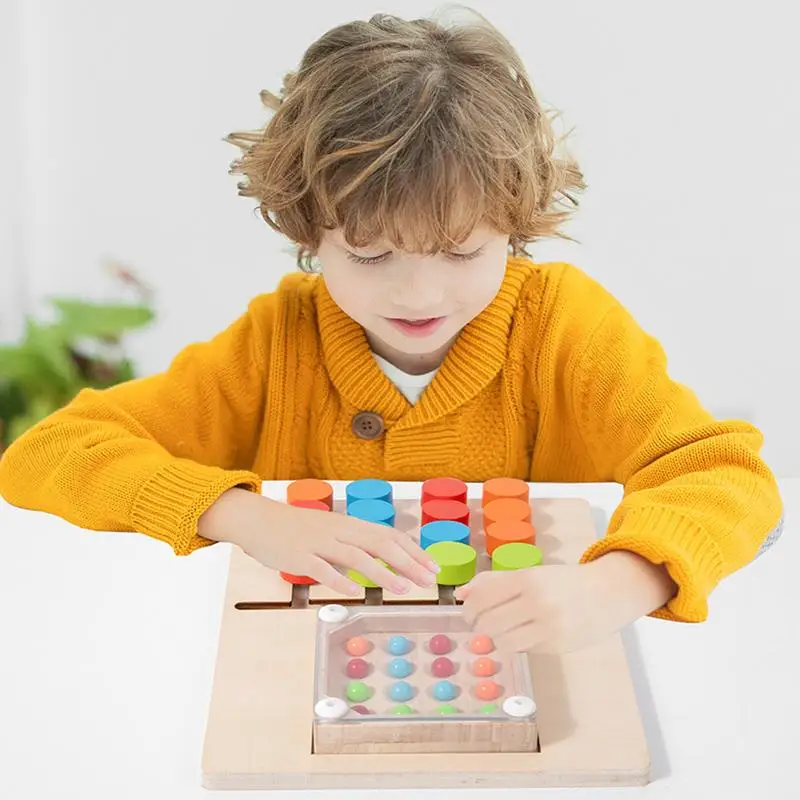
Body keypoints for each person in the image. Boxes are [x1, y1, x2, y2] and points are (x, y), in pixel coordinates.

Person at [0, 10, 783, 654]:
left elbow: (730, 480)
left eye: (462, 251)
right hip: (318, 671)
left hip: (533, 673)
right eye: (370, 254)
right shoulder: (278, 341)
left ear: (513, 226)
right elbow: (49, 452)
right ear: (311, 233)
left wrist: (620, 582)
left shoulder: (565, 327)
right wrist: (239, 512)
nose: (419, 291)